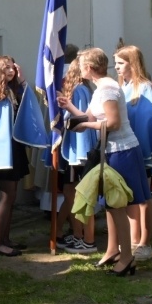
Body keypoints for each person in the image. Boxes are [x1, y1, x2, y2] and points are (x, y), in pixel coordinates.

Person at [57, 48, 149, 276]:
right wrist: (69, 108)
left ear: (89, 68)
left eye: (80, 65)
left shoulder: (107, 89)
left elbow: (114, 123)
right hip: (112, 151)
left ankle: (127, 258)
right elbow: (89, 116)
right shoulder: (102, 87)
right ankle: (112, 251)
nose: (77, 69)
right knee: (110, 205)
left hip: (122, 151)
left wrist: (86, 126)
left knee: (118, 205)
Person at [114, 45, 152, 263]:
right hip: (124, 149)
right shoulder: (121, 87)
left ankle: (145, 242)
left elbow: (149, 122)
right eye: (115, 63)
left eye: (120, 63)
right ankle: (133, 239)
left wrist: (146, 149)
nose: (116, 67)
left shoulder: (145, 88)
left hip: (140, 149)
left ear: (132, 64)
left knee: (143, 197)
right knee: (128, 197)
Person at [0, 56, 31, 257]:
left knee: (11, 197)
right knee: (6, 196)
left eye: (12, 67)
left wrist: (22, 81)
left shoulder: (13, 90)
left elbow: (29, 106)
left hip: (14, 147)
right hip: (0, 152)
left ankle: (6, 238)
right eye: (6, 68)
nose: (11, 70)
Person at [58, 58, 98, 254]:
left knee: (75, 194)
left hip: (78, 150)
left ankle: (81, 236)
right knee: (69, 192)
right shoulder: (81, 89)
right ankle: (69, 233)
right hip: (75, 149)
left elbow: (81, 119)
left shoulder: (79, 90)